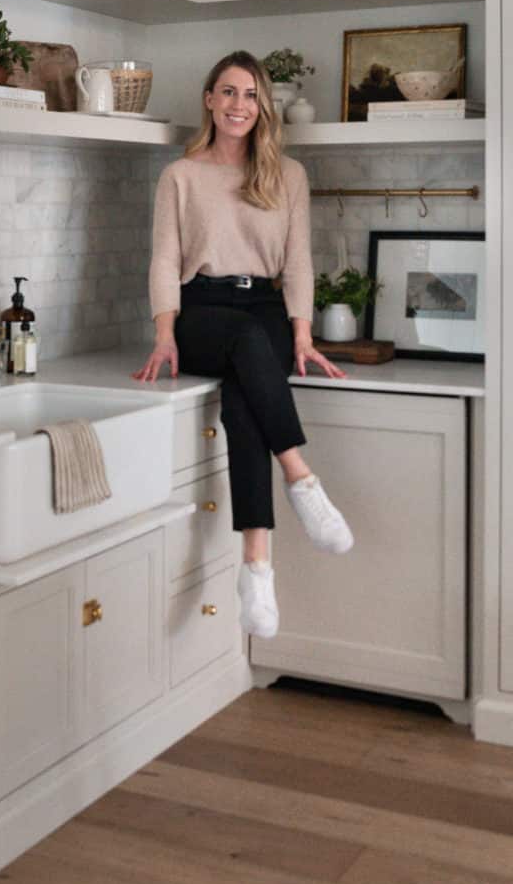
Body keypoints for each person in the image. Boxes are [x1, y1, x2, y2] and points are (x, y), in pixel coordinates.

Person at [134, 50, 354, 640]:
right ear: (209, 99)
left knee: (244, 398)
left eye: (251, 95)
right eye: (229, 92)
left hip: (265, 309)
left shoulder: (288, 176)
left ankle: (256, 569)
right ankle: (301, 478)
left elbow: (299, 262)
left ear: (264, 107)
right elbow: (164, 259)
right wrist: (163, 333)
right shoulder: (181, 175)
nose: (239, 105)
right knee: (246, 343)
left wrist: (302, 334)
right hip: (201, 310)